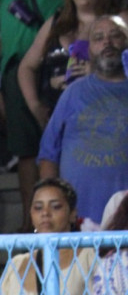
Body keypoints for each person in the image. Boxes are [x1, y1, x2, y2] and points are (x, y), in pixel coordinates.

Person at [0, 0, 69, 229]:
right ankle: (31, 224)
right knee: (26, 150)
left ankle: (69, 219)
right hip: (16, 65)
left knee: (67, 144)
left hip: (61, 61)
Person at [37, 15, 128, 229]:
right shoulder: (73, 93)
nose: (107, 42)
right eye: (98, 38)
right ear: (89, 50)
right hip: (79, 223)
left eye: (115, 35)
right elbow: (48, 155)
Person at [18, 0, 126, 130]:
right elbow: (26, 67)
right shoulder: (55, 23)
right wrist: (35, 105)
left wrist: (100, 75)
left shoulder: (119, 21)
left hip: (107, 121)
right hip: (61, 120)